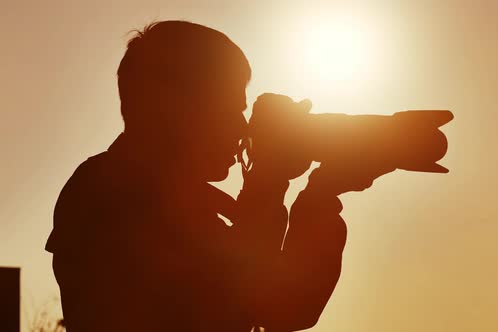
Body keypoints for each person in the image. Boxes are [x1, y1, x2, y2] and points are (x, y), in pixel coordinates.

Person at [45, 20, 382, 331]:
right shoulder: (112, 191)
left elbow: (286, 303)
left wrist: (318, 197)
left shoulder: (165, 194)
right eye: (230, 109)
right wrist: (271, 178)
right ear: (176, 109)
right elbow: (250, 299)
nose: (240, 126)